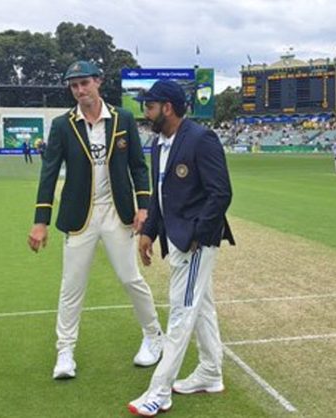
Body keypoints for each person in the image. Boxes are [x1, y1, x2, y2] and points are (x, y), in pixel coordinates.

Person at [27, 60, 164, 379]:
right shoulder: (63, 125)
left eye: (84, 83)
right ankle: (65, 352)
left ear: (98, 82)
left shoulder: (123, 118)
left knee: (131, 279)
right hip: (80, 217)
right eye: (73, 85)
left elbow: (138, 167)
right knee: (71, 286)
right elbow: (49, 171)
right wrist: (40, 220)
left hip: (117, 214)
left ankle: (154, 337)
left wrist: (143, 205)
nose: (79, 90)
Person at [128, 80, 234, 416]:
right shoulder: (158, 143)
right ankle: (210, 372)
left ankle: (160, 391)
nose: (145, 112)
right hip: (175, 238)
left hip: (196, 242)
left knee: (181, 312)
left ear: (167, 108)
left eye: (149, 106)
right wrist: (148, 232)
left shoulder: (201, 139)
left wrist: (196, 236)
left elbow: (221, 193)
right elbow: (162, 196)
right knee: (200, 307)